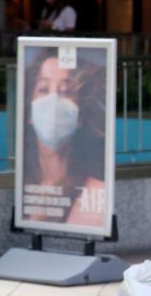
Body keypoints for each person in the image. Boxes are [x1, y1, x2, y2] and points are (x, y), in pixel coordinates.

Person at [21, 48, 107, 227]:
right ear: (29, 112)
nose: (53, 100)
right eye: (43, 89)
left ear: (80, 116)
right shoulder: (21, 187)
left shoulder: (97, 192)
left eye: (66, 91)